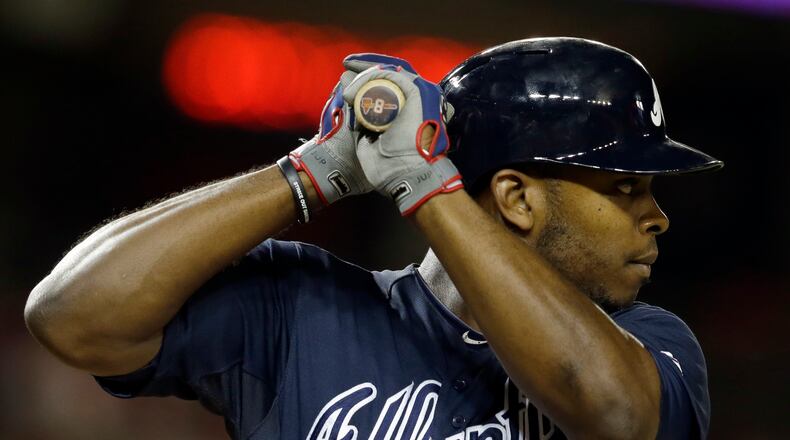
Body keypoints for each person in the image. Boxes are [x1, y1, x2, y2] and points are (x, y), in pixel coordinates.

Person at [24, 38, 721, 439]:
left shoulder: (652, 346)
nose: (656, 216)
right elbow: (73, 319)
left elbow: (612, 414)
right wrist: (311, 171)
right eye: (625, 187)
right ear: (515, 198)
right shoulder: (302, 311)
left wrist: (425, 187)